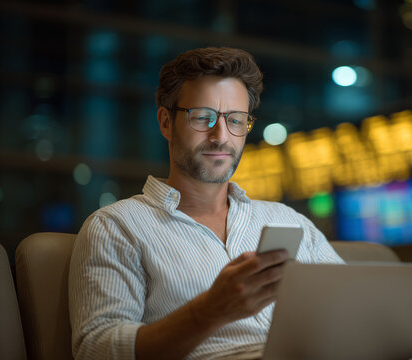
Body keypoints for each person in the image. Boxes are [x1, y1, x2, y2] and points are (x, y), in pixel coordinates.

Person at [68, 47, 344, 360]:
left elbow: (352, 310)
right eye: (203, 118)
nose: (220, 136)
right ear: (166, 122)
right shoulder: (117, 226)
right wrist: (207, 312)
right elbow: (95, 349)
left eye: (236, 120)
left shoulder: (289, 221)